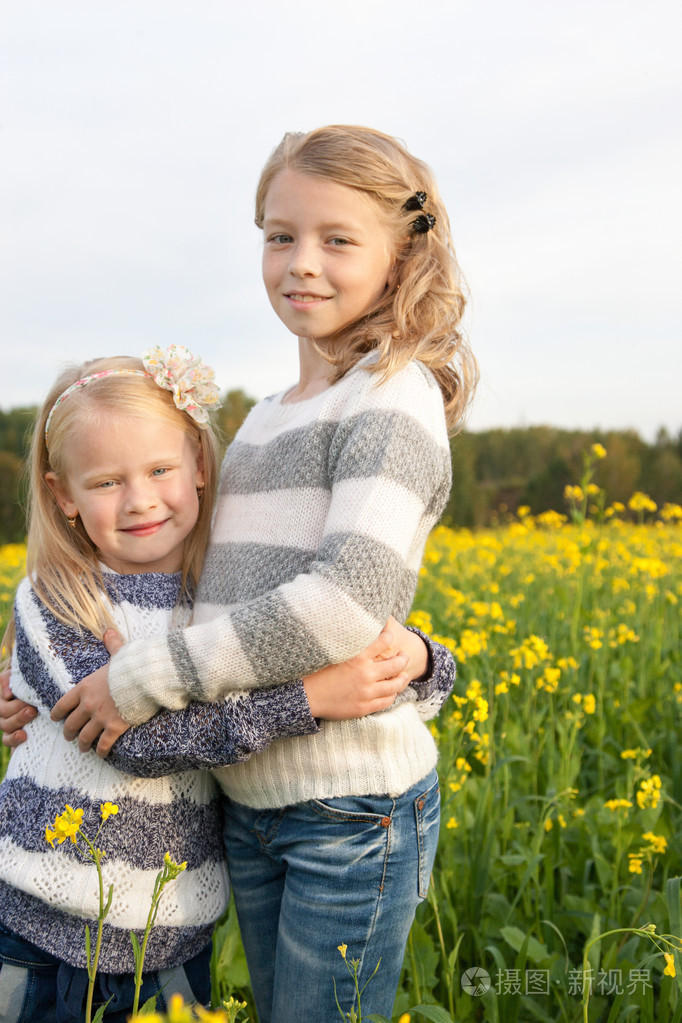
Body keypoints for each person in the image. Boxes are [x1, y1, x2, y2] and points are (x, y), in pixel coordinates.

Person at [8, 124, 475, 1021]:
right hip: (247, 809)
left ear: (401, 253)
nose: (303, 262)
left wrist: (137, 679)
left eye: (338, 239)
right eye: (279, 235)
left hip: (348, 810)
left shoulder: (393, 392)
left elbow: (345, 603)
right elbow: (213, 595)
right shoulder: (264, 419)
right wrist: (33, 676)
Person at [0, 346, 440, 1023]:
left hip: (174, 931)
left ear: (201, 467)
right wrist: (309, 700)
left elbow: (323, 632)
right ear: (62, 496)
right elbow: (134, 742)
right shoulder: (60, 597)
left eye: (160, 469)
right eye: (107, 481)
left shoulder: (221, 593)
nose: (141, 498)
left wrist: (424, 658)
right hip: (43, 930)